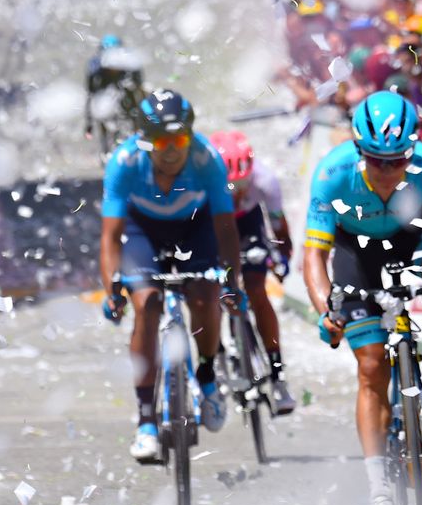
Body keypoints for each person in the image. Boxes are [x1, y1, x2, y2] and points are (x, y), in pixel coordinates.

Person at [303, 90, 422, 505]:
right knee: (371, 366)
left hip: (414, 234)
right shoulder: (333, 172)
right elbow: (313, 256)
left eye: (397, 161)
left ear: (411, 152)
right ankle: (379, 489)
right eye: (377, 162)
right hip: (354, 251)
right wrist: (328, 309)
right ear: (360, 152)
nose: (387, 171)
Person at [99, 89, 243, 462]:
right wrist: (112, 289)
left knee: (205, 295)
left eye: (180, 139)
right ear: (145, 141)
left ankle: (208, 376)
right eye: (162, 141)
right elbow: (110, 237)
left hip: (195, 227)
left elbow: (226, 230)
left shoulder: (206, 158)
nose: (173, 150)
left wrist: (231, 281)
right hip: (142, 230)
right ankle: (146, 421)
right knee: (146, 303)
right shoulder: (124, 161)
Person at [209, 129, 297, 415]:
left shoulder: (265, 180)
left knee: (258, 290)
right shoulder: (202, 183)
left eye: (243, 184)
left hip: (248, 226)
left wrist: (282, 257)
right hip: (212, 227)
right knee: (210, 294)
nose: (239, 192)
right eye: (231, 188)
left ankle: (278, 374)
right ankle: (216, 359)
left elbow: (279, 227)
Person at [85, 34, 146, 155]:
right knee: (101, 114)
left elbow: (138, 85)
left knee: (134, 103)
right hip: (104, 98)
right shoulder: (96, 64)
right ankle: (106, 148)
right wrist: (89, 120)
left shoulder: (129, 63)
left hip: (125, 96)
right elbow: (91, 91)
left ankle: (137, 135)